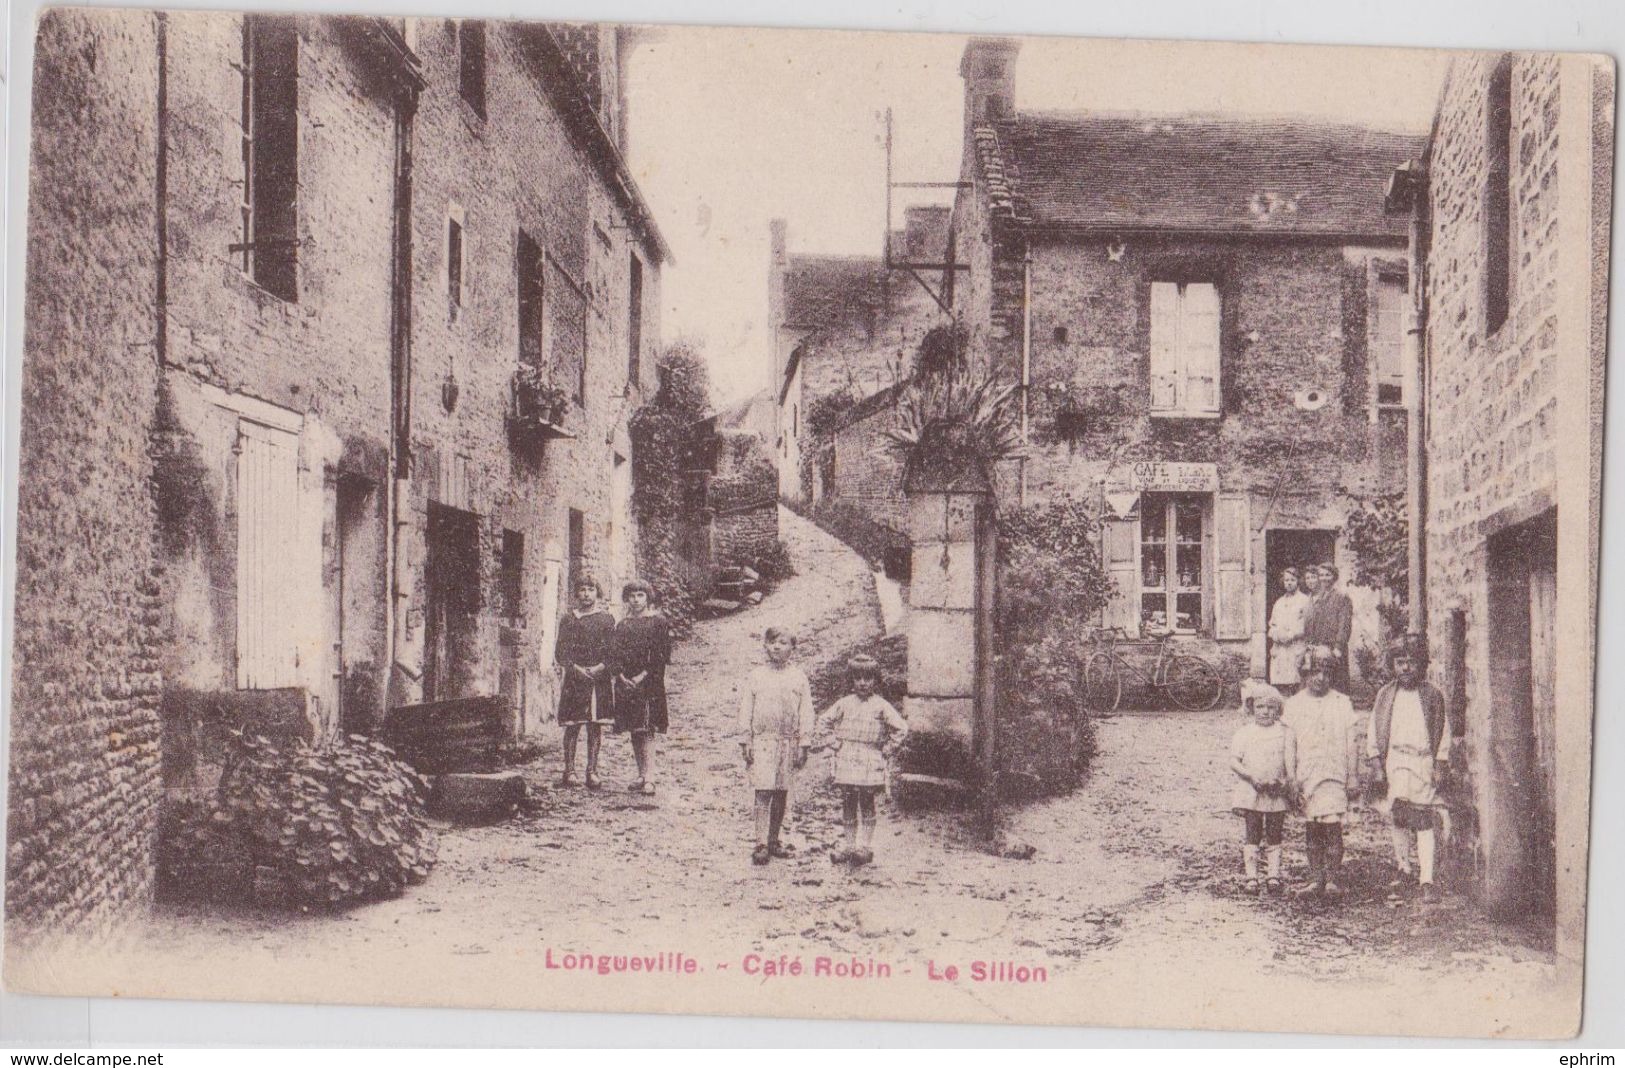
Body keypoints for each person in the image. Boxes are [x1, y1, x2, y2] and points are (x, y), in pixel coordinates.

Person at [1367, 634, 1459, 905]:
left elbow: (1443, 732)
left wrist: (1440, 762)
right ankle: (1403, 867)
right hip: (1395, 760)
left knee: (1423, 818)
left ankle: (1427, 877)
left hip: (1422, 761)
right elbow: (1374, 729)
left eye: (1411, 662)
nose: (1406, 668)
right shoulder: (1386, 695)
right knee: (1398, 815)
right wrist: (1376, 763)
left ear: (1421, 665)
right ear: (1392, 665)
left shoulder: (1432, 695)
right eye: (1400, 662)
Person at [1284, 646, 1361, 901]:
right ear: (1305, 674)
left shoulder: (1341, 702)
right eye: (1315, 672)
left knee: (1332, 827)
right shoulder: (1294, 705)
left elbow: (1351, 742)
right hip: (1308, 774)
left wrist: (1352, 776)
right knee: (1312, 828)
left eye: (1326, 673)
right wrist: (1292, 778)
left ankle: (1332, 878)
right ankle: (1315, 877)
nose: (1320, 678)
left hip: (1334, 774)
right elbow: (1289, 744)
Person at [818, 654, 909, 867]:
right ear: (851, 680)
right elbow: (823, 722)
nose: (862, 683)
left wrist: (888, 747)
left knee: (867, 802)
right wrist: (833, 741)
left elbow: (901, 728)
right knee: (848, 801)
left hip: (870, 757)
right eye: (857, 678)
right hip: (847, 757)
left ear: (876, 680)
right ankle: (849, 847)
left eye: (868, 678)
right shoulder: (843, 704)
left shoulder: (881, 705)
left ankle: (865, 848)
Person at [738, 627, 815, 866]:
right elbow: (746, 709)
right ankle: (760, 842)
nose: (777, 647)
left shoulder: (798, 677)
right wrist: (746, 739)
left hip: (788, 741)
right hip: (762, 741)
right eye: (772, 642)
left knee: (781, 791)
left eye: (783, 643)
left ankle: (774, 839)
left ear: (792, 648)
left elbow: (806, 712)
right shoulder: (756, 676)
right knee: (763, 790)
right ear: (765, 645)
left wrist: (804, 743)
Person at [1229, 685, 1295, 896]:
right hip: (1252, 789)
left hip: (1276, 790)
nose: (1265, 711)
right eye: (1260, 707)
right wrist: (1250, 777)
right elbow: (1234, 761)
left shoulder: (1285, 732)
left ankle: (1273, 875)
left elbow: (1290, 762)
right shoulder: (1245, 733)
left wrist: (1284, 781)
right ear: (1251, 708)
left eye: (1270, 707)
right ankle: (1252, 877)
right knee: (1253, 831)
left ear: (1278, 709)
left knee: (1275, 832)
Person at [553, 576, 615, 788]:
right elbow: (561, 652)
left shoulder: (606, 620)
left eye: (591, 589)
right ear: (576, 594)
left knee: (594, 725)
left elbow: (612, 650)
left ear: (597, 593)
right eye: (582, 590)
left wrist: (600, 667)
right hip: (575, 678)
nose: (586, 594)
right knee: (573, 725)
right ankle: (569, 770)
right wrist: (576, 668)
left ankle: (592, 770)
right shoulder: (569, 620)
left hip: (598, 678)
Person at [611, 579, 671, 796]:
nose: (636, 600)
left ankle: (650, 776)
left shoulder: (658, 622)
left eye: (640, 596)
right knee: (635, 729)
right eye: (632, 596)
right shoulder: (623, 625)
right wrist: (620, 676)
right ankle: (641, 773)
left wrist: (640, 678)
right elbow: (615, 654)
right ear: (627, 599)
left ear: (648, 598)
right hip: (626, 683)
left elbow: (660, 656)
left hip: (648, 682)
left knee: (647, 729)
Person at [1303, 564, 1353, 692]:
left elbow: (1344, 625)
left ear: (1334, 577)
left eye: (1327, 575)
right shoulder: (1317, 598)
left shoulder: (1342, 597)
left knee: (1336, 684)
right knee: (1319, 684)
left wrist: (1338, 647)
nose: (1324, 578)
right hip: (1319, 648)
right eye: (1321, 575)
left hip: (1334, 648)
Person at [1267, 568, 1312, 695]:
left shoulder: (1305, 600)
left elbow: (1307, 624)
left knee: (1296, 682)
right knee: (1281, 684)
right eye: (1286, 580)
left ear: (1298, 581)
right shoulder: (1279, 602)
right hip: (1280, 648)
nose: (1289, 583)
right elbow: (1272, 623)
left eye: (1293, 580)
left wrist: (1291, 635)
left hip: (1296, 646)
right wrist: (1275, 634)